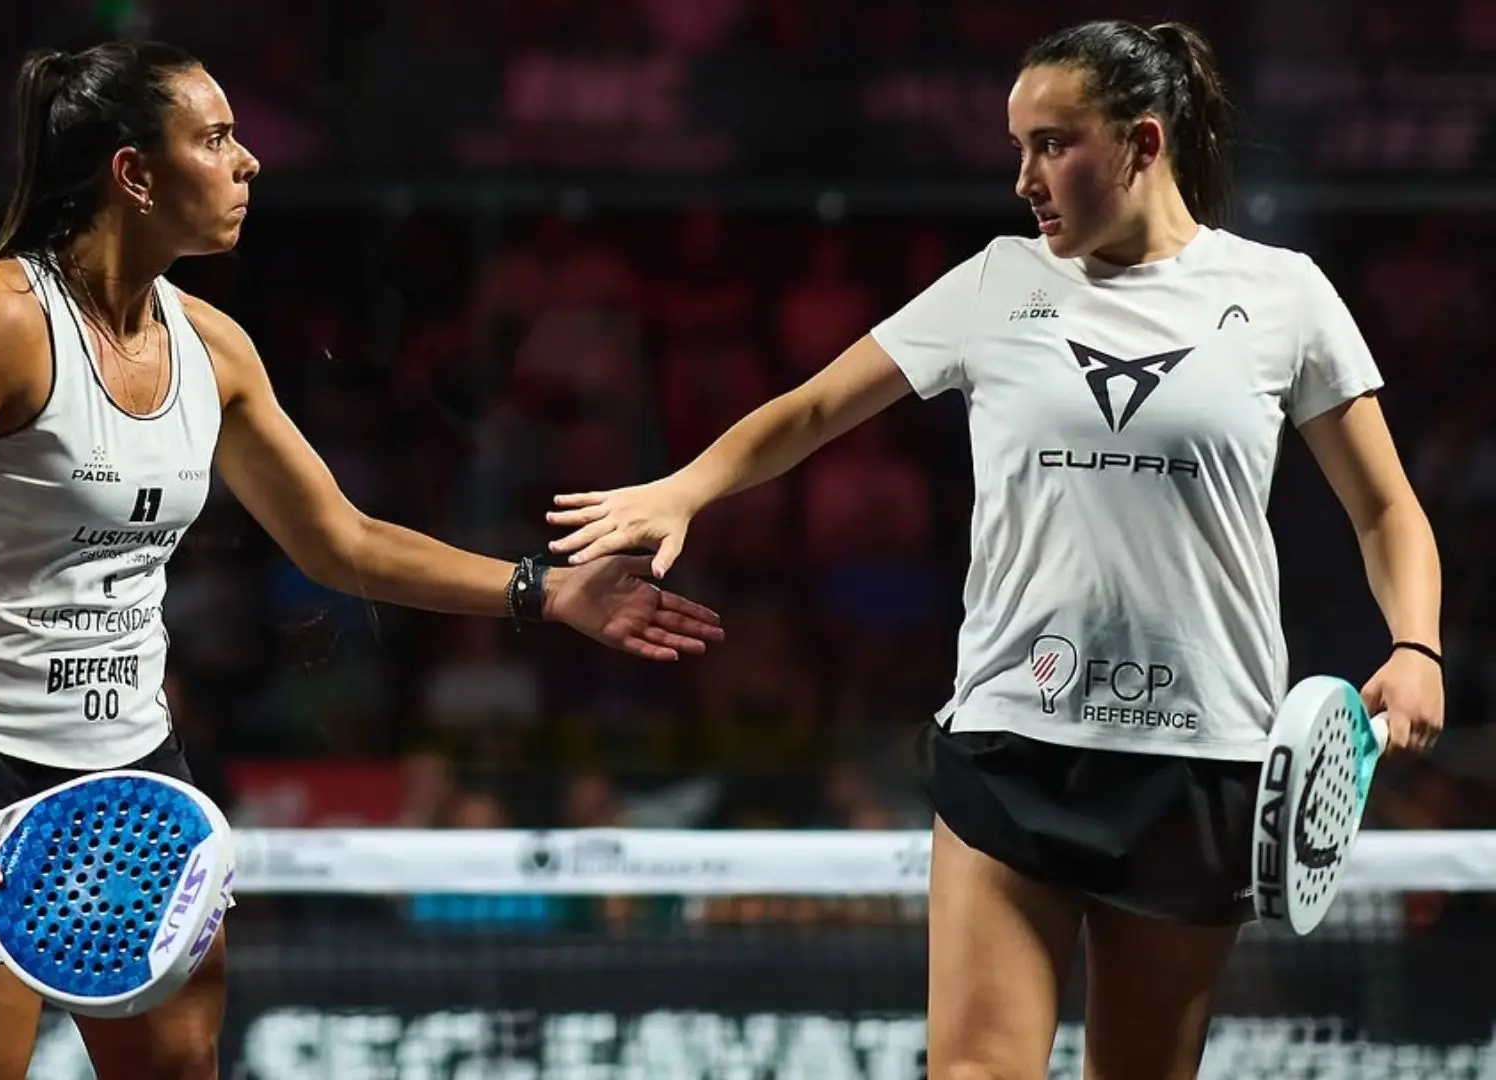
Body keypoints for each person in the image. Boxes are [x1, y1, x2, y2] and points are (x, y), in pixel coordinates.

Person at [0, 40, 724, 1080]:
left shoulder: (214, 348)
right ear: (135, 174)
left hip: (134, 775)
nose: (249, 161)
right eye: (216, 138)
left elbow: (341, 541)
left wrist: (545, 590)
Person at [545, 19, 1445, 1080]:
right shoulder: (995, 283)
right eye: (1018, 146)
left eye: (1052, 144)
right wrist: (685, 487)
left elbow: (1386, 508)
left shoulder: (1284, 295)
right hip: (1013, 740)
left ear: (1143, 144)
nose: (1024, 178)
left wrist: (1416, 645)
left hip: (1200, 758)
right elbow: (815, 407)